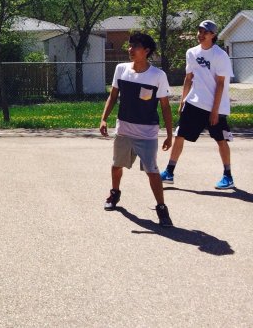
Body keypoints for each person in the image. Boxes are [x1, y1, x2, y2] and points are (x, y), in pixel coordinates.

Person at [99, 32, 174, 227]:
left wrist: (169, 134)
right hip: (123, 130)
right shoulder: (121, 69)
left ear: (146, 51)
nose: (130, 50)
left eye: (135, 46)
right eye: (130, 46)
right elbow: (113, 96)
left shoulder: (158, 75)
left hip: (147, 133)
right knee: (116, 166)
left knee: (152, 171)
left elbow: (165, 107)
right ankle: (114, 194)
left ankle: (161, 208)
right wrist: (104, 119)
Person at [160, 20, 236, 189]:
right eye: (199, 31)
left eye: (205, 32)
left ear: (213, 35)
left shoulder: (220, 55)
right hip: (194, 103)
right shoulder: (191, 52)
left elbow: (221, 84)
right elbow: (189, 78)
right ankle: (169, 172)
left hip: (215, 107)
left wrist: (215, 111)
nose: (201, 35)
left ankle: (228, 176)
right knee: (180, 135)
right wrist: (182, 101)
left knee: (221, 139)